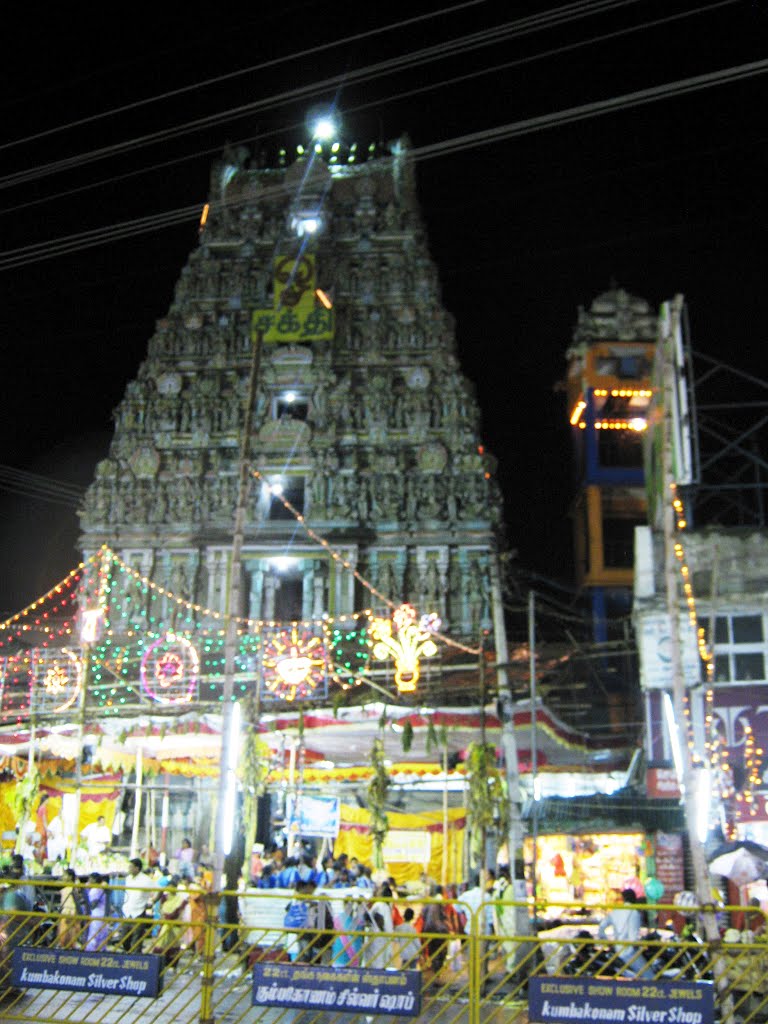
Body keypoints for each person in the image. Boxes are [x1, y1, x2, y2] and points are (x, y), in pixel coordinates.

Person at [597, 888, 655, 979]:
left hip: (617, 950)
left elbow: (601, 928)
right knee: (650, 976)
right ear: (635, 899)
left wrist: (607, 942)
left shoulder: (615, 911)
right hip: (629, 952)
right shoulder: (634, 912)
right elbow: (633, 938)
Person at [152, 876, 189, 968]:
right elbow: (159, 907)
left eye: (173, 887)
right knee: (161, 943)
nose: (171, 889)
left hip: (175, 925)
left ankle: (172, 966)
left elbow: (181, 913)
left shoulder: (181, 900)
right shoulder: (164, 898)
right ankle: (158, 964)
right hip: (165, 925)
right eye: (169, 887)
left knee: (174, 945)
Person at [120, 857, 154, 952]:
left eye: (131, 867)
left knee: (136, 940)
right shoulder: (128, 879)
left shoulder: (146, 880)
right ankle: (129, 954)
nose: (129, 869)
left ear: (137, 868)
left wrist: (152, 902)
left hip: (138, 912)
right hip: (127, 912)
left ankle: (136, 959)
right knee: (124, 938)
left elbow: (157, 891)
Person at [85, 872, 111, 951]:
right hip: (104, 914)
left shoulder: (95, 890)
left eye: (90, 879)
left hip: (96, 914)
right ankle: (102, 950)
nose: (88, 880)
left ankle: (91, 951)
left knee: (94, 934)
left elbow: (93, 905)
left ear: (94, 880)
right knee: (102, 935)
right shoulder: (103, 888)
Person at [58, 868, 81, 949]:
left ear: (70, 877)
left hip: (69, 914)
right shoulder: (67, 889)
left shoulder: (73, 889)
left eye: (65, 875)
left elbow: (75, 903)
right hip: (66, 913)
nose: (63, 877)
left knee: (67, 937)